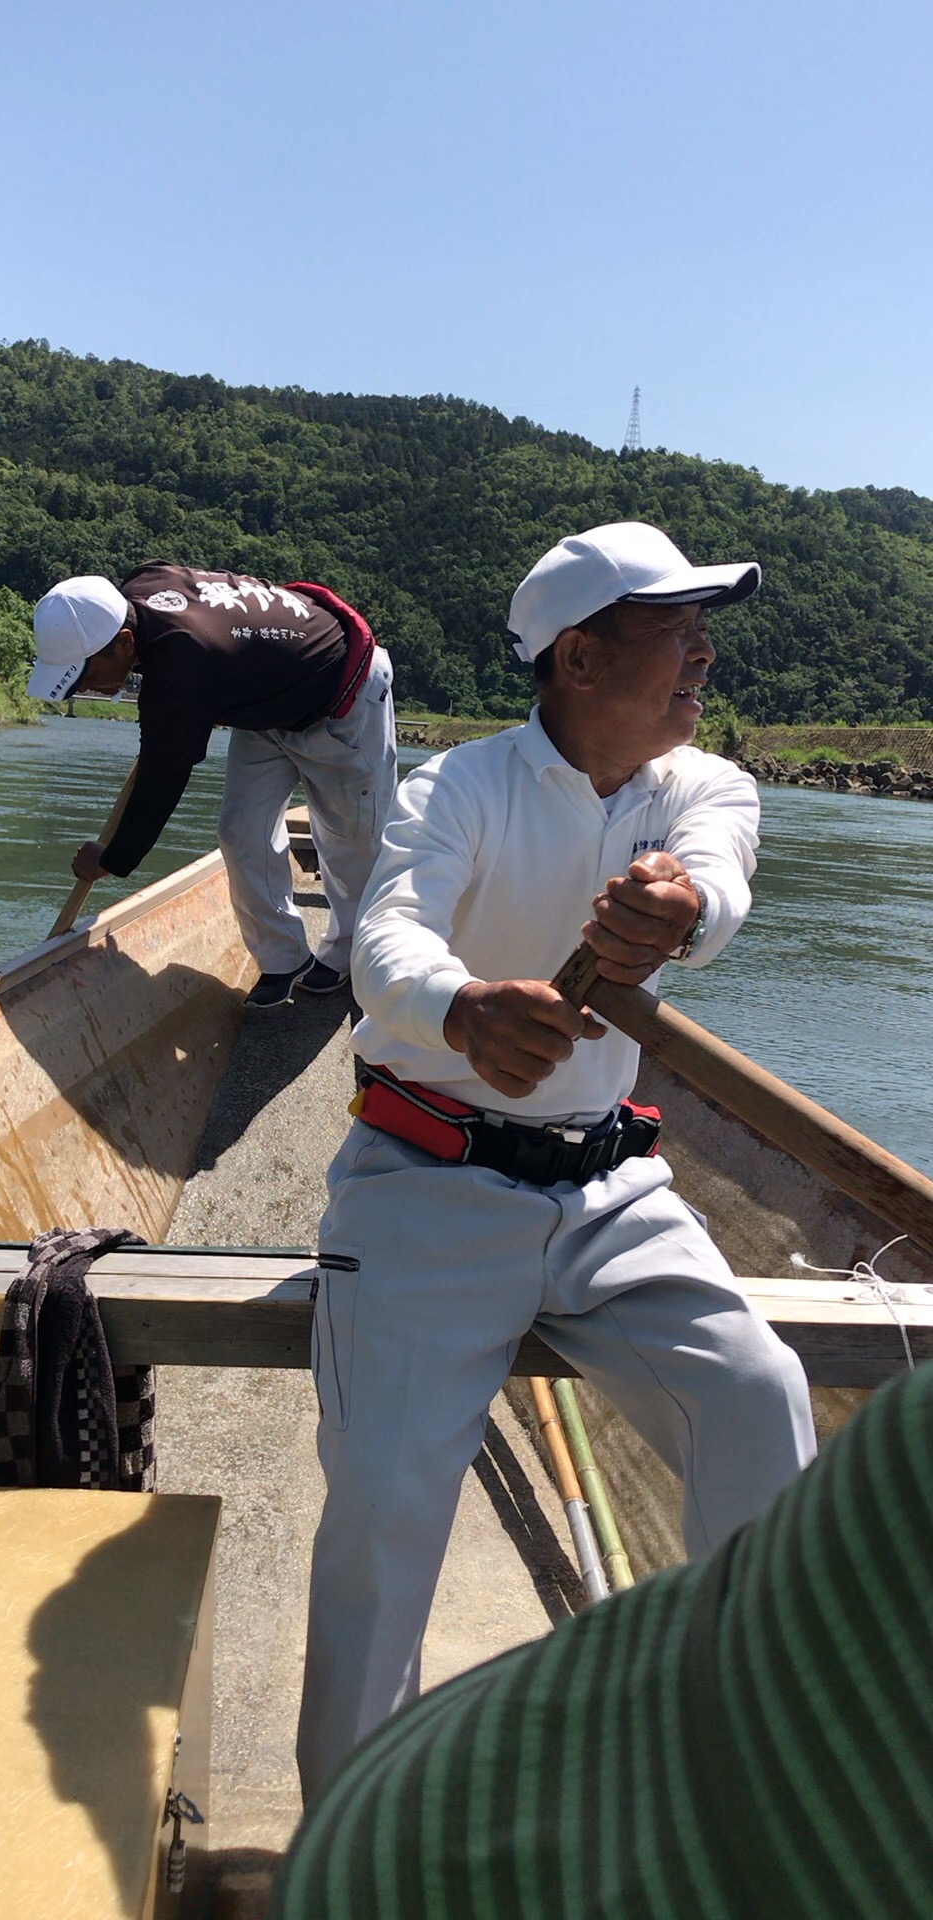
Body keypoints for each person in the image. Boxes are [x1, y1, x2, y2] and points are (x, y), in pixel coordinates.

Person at [296, 520, 816, 1799]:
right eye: (674, 628)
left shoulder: (702, 783)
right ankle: (350, 1843)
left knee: (759, 1396)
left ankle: (739, 1773)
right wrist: (462, 1011)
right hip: (425, 1185)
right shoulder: (456, 787)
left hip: (609, 1192)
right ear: (579, 658)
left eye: (705, 628)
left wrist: (682, 912)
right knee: (385, 1514)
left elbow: (717, 876)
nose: (703, 654)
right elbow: (386, 938)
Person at [274, 1355, 933, 1920]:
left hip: (613, 1206)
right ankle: (335, 1800)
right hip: (434, 1217)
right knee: (382, 1497)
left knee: (758, 1382)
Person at [26, 563, 396, 1007]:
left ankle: (349, 956)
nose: (87, 687)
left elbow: (162, 782)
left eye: (85, 675)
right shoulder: (140, 590)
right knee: (240, 830)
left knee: (350, 840)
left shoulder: (182, 665)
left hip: (340, 693)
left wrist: (111, 859)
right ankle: (283, 958)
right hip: (265, 702)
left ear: (124, 642)